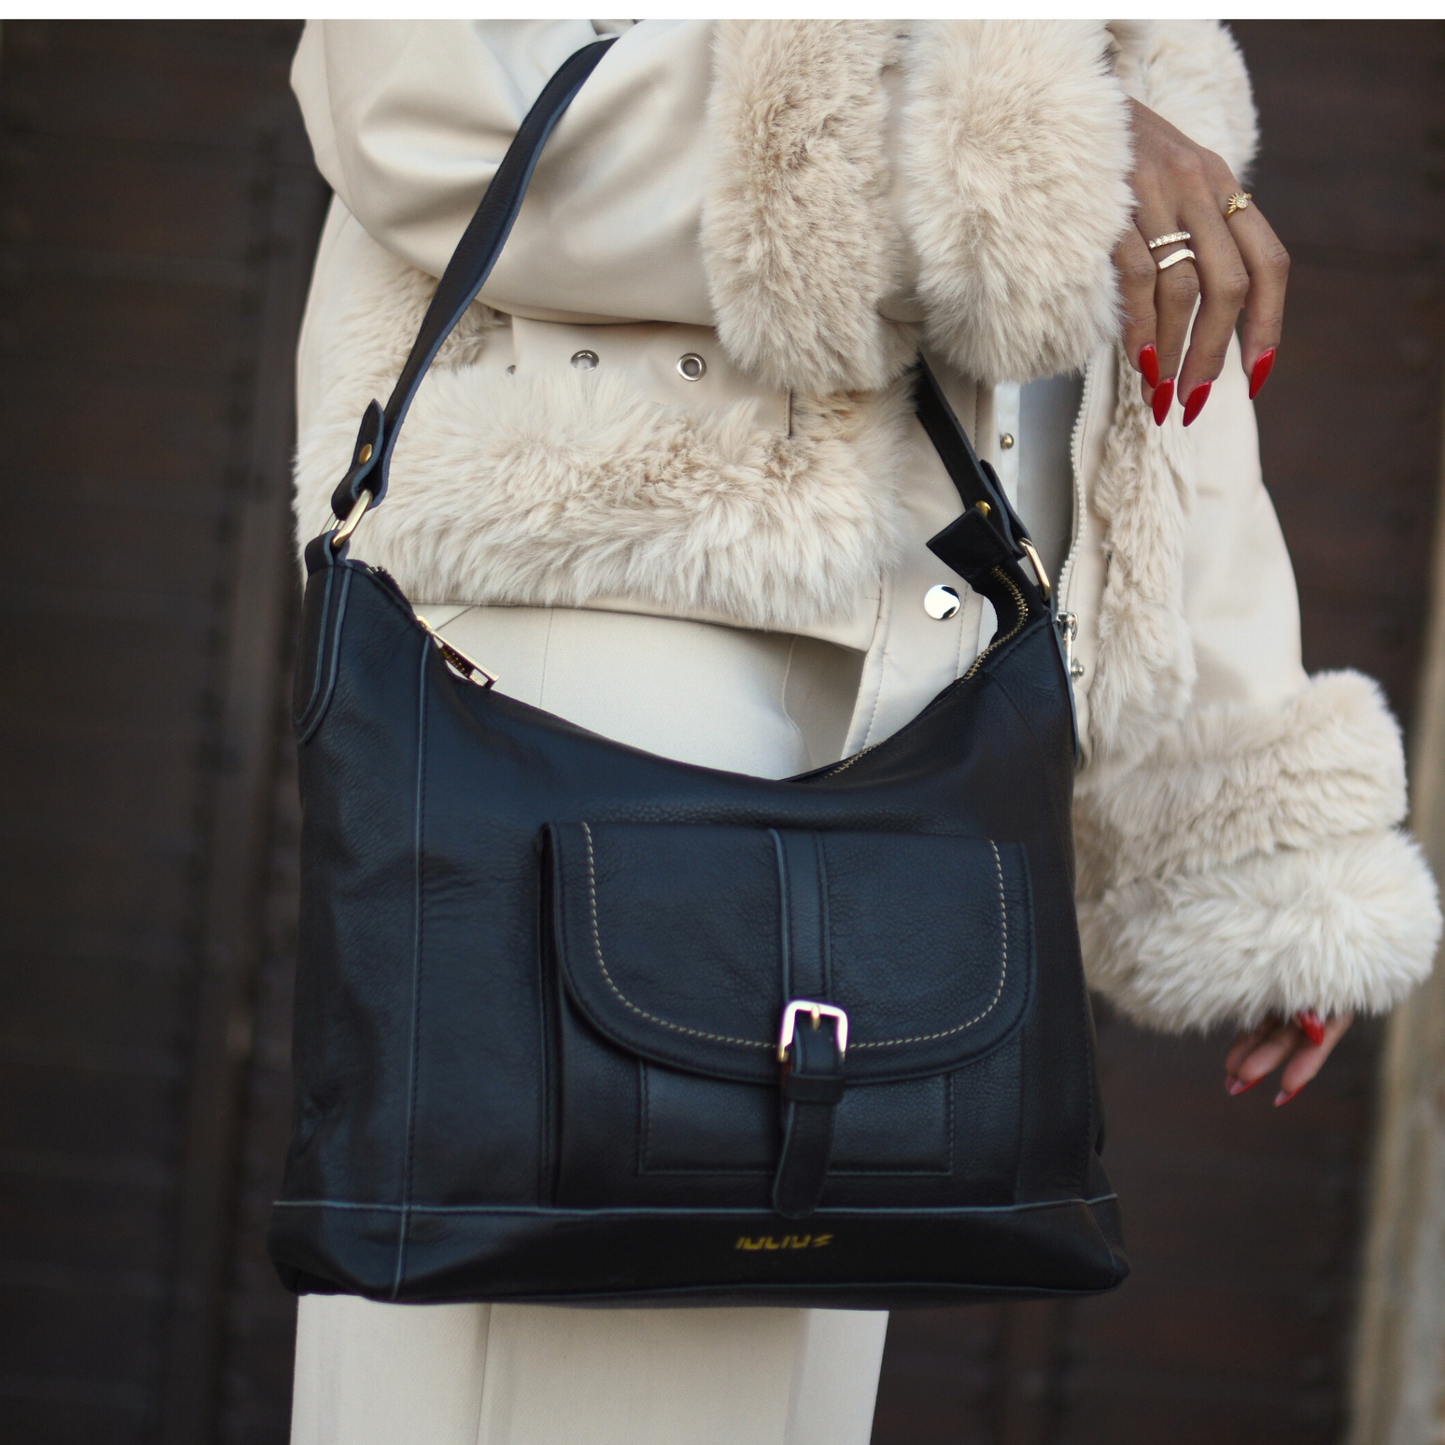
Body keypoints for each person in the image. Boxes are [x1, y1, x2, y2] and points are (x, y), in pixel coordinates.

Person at [286, 20, 1441, 1444]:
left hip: (926, 708)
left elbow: (1148, 369)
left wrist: (1242, 812)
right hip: (592, 661)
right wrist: (1014, 148)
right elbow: (434, 112)